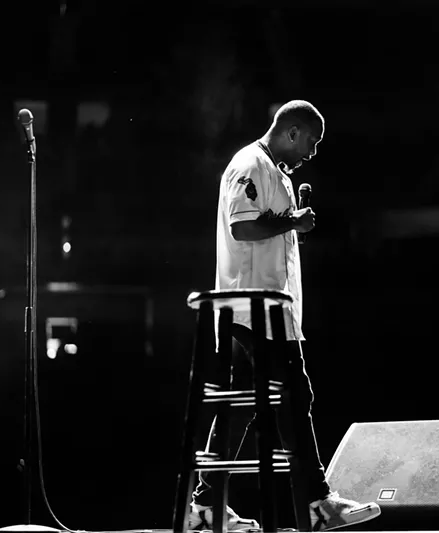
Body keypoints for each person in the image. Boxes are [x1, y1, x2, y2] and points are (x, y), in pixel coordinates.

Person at [186, 100, 381, 532]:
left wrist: (292, 224)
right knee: (295, 398)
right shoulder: (250, 164)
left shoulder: (278, 174)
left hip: (265, 311)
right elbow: (242, 226)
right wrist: (292, 221)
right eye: (312, 141)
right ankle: (317, 503)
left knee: (242, 410)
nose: (313, 152)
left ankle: (205, 505)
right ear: (292, 131)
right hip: (254, 311)